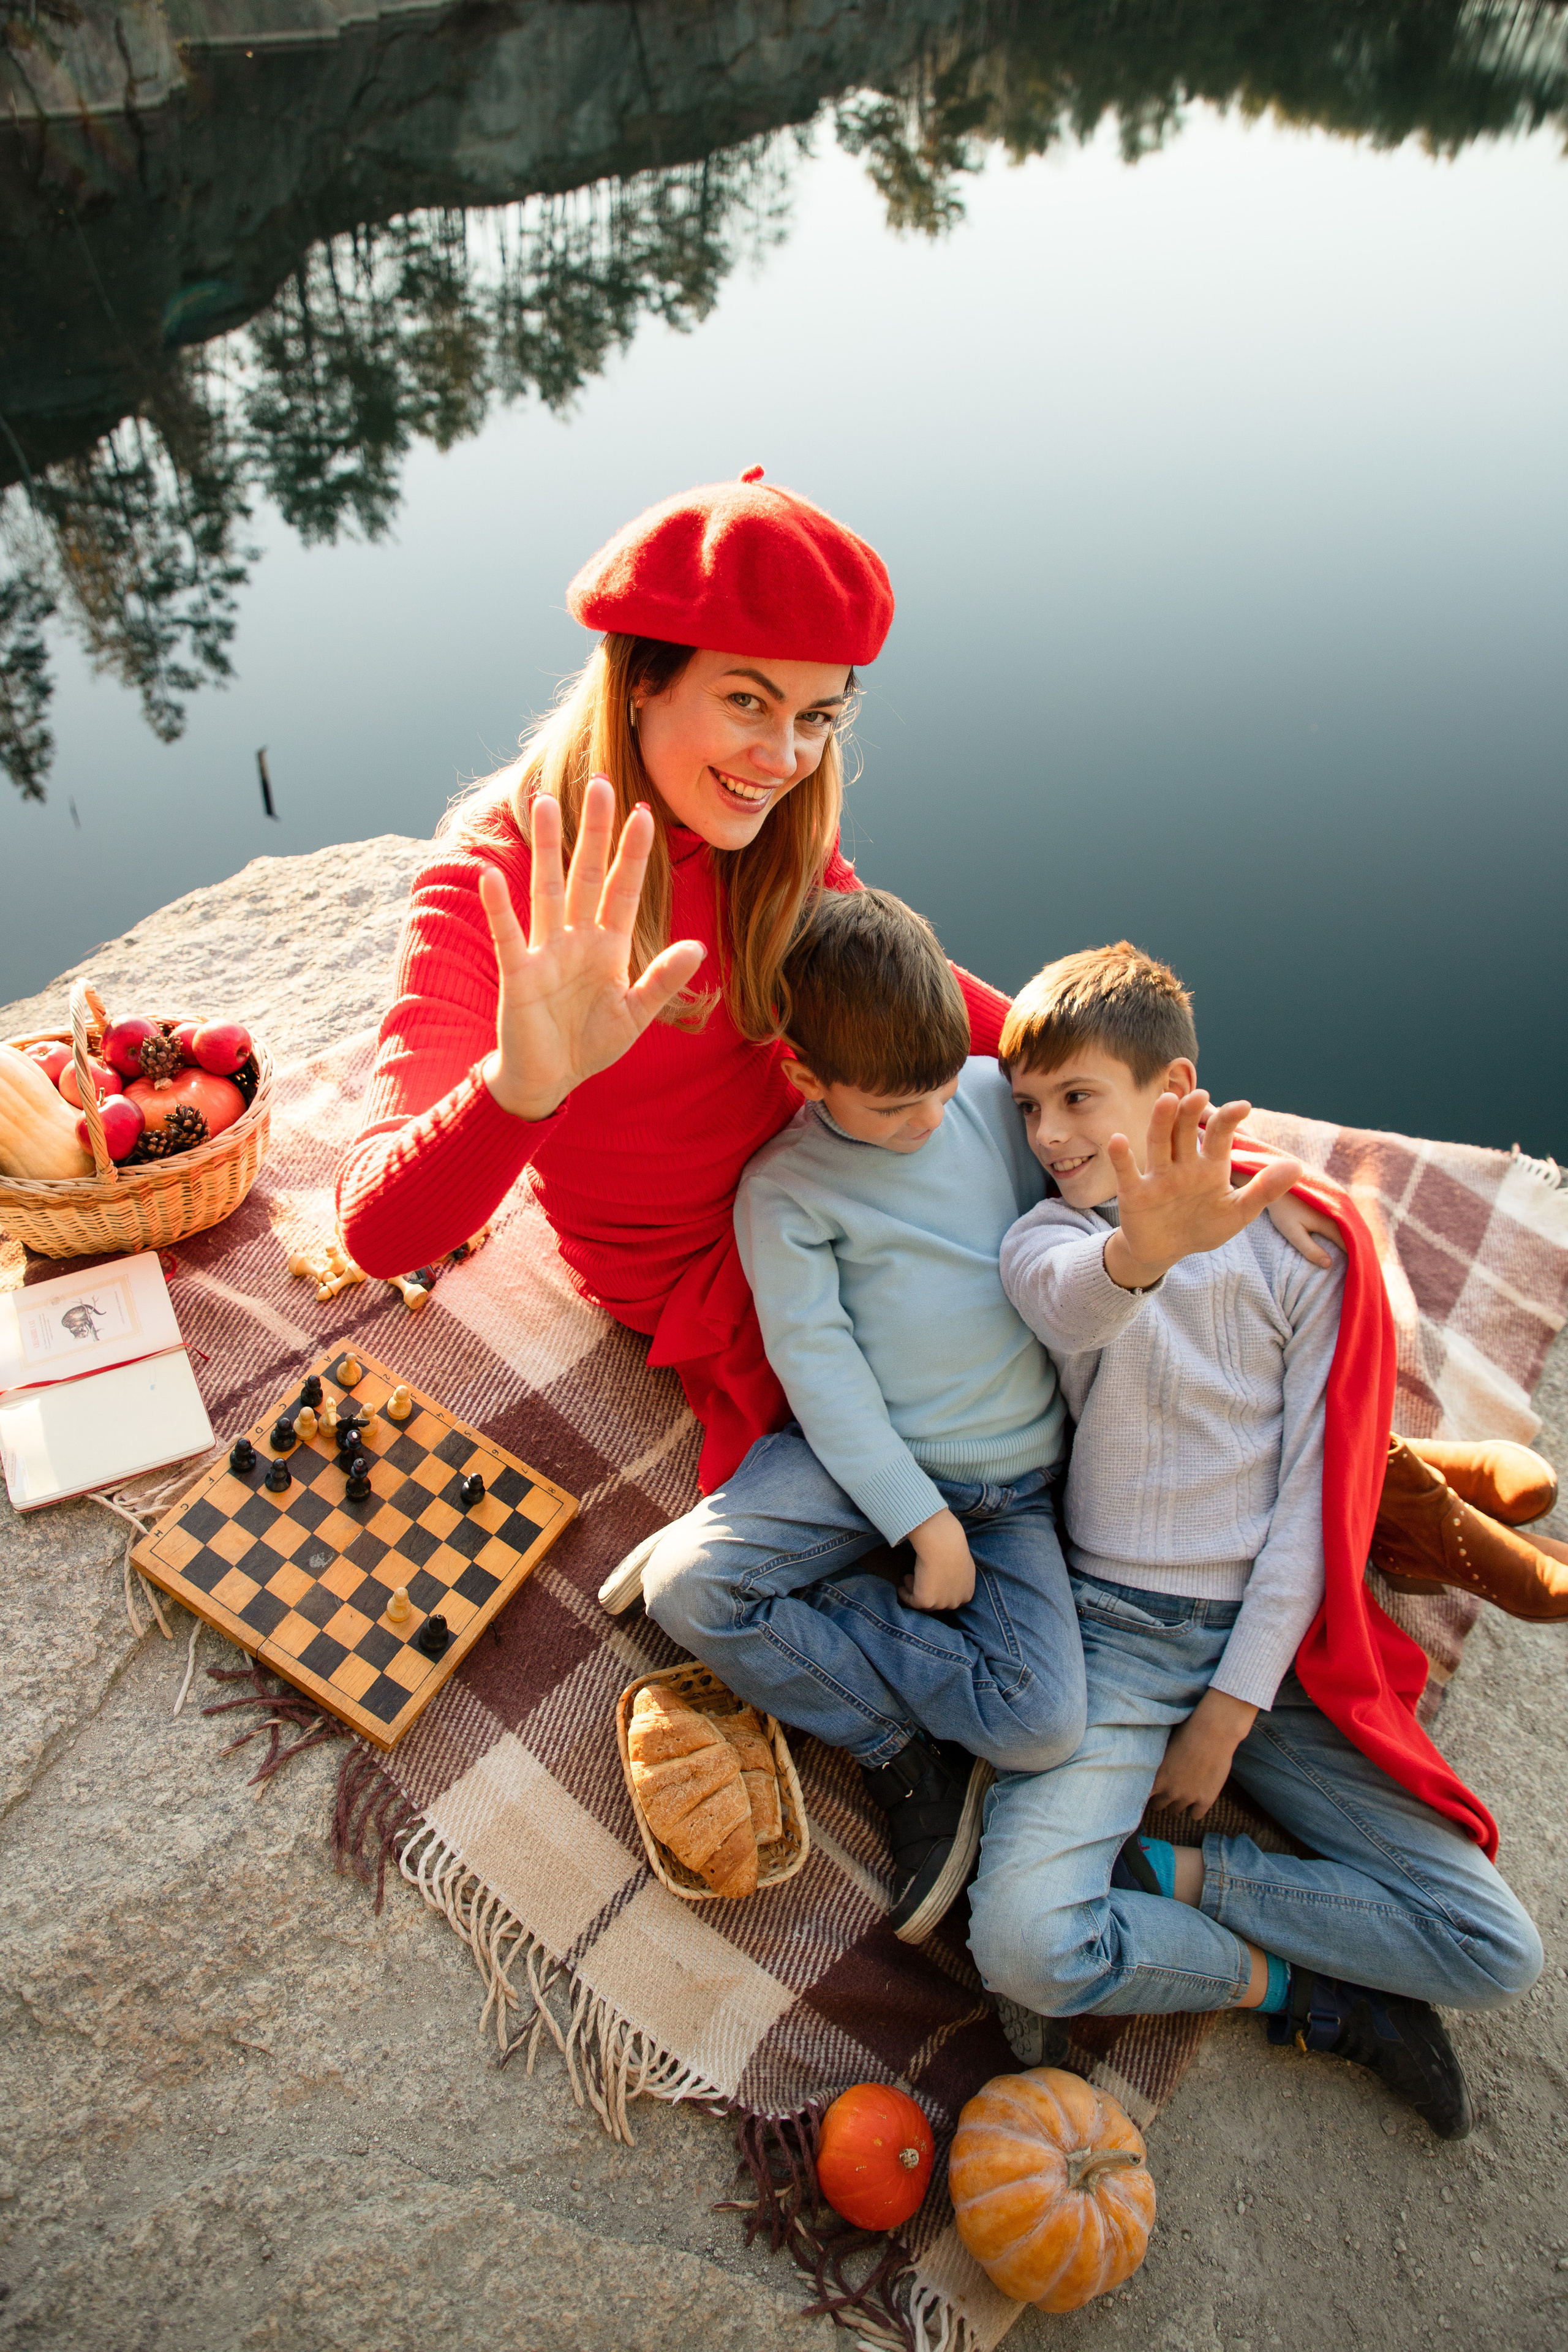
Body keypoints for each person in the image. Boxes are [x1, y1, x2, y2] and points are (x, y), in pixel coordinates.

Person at [639, 892, 1305, 1942]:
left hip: (1014, 1492)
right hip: (863, 1464)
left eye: (946, 1090)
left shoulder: (1000, 1099)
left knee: (1041, 1726)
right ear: (806, 1079)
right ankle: (890, 1749)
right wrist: (921, 1522)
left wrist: (1273, 1195)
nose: (930, 1121)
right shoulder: (787, 1192)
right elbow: (825, 1377)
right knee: (686, 1590)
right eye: (896, 1108)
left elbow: (1127, 1138)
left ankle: (841, 1610)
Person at [336, 470, 1012, 1491]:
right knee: (1021, 1355)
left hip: (833, 1164)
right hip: (714, 1272)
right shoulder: (500, 876)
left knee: (1145, 1221)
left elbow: (886, 983)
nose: (781, 756)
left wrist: (1075, 1052)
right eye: (747, 700)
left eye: (818, 717)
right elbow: (378, 1233)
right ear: (641, 678)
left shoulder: (772, 826)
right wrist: (522, 1087)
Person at [967, 943, 1544, 2138]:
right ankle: (1293, 1990)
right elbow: (1072, 1301)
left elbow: (1309, 1502)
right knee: (1020, 1946)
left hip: (1275, 1656)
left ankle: (1169, 1880)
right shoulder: (1048, 1241)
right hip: (1116, 1637)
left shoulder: (1297, 1241)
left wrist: (1230, 1708)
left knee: (1491, 1949)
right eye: (1029, 1108)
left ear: (1169, 1091)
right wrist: (1143, 1248)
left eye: (1078, 1098)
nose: (1050, 1135)